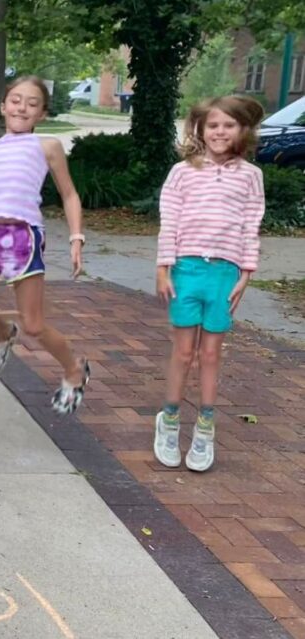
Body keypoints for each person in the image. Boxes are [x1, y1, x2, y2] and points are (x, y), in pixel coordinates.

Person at [0, 76, 90, 415]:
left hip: (22, 235)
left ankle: (74, 370)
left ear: (42, 113)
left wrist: (76, 238)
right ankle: (4, 333)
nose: (22, 107)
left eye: (32, 103)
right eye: (16, 100)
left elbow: (69, 194)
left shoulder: (46, 146)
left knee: (34, 325)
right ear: (3, 106)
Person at [152, 95, 265, 473]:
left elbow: (251, 226)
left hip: (224, 273)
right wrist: (163, 267)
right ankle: (169, 419)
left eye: (228, 125)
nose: (220, 132)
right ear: (200, 128)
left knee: (211, 353)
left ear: (242, 130)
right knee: (183, 352)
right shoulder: (181, 172)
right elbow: (170, 222)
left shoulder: (251, 176)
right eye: (213, 125)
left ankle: (205, 425)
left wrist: (246, 273)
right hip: (185, 269)